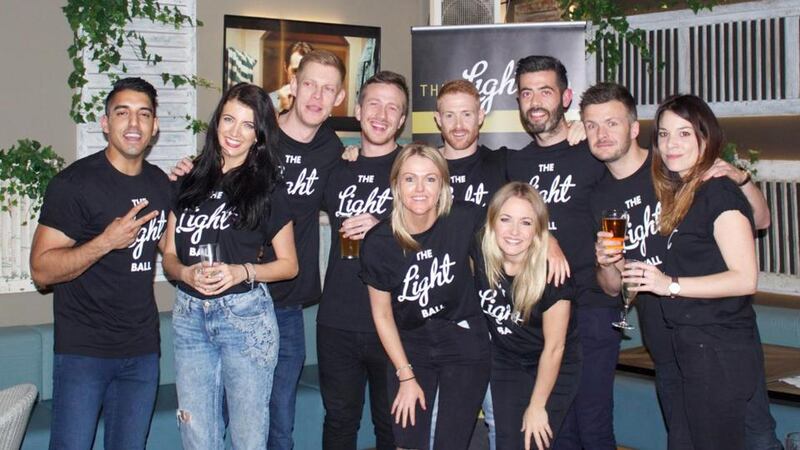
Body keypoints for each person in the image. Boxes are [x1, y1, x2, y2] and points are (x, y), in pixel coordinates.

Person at [584, 83, 780, 450]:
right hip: (670, 341)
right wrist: (608, 263)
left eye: (611, 122)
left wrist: (741, 177)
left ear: (632, 127)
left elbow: (760, 222)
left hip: (717, 339)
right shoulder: (617, 192)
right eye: (591, 125)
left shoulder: (687, 177)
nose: (602, 133)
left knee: (756, 437)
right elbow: (612, 287)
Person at [170, 49, 347, 450]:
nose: (317, 96)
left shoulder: (334, 152)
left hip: (284, 307)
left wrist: (359, 158)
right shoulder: (253, 136)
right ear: (293, 86)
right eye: (310, 84)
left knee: (275, 424)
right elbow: (208, 179)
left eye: (328, 89)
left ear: (338, 98)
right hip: (218, 303)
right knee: (212, 423)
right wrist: (186, 171)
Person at [29, 77, 171, 449]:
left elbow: (173, 251)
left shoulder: (161, 185)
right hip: (83, 352)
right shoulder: (73, 184)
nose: (134, 124)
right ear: (106, 123)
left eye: (144, 114)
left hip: (141, 351)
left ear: (155, 127)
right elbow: (41, 271)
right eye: (122, 113)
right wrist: (104, 243)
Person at [162, 83, 298, 449]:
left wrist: (242, 271)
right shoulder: (187, 181)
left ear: (259, 136)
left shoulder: (269, 188)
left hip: (245, 317)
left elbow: (288, 265)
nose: (234, 132)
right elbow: (169, 256)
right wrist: (185, 273)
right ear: (216, 122)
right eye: (228, 119)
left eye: (247, 125)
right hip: (190, 317)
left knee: (248, 438)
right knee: (195, 434)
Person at [505, 55, 617, 449]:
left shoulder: (593, 151)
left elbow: (643, 166)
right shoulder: (514, 163)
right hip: (538, 314)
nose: (535, 101)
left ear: (566, 97)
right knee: (555, 428)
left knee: (593, 423)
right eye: (526, 92)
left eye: (545, 91)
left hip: (592, 308)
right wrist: (545, 235)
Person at [360, 144, 490, 450]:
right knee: (406, 441)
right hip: (411, 344)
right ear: (396, 185)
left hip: (463, 341)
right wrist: (405, 377)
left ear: (443, 185)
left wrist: (549, 242)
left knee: (451, 444)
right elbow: (382, 314)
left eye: (430, 179)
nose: (420, 189)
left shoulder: (465, 219)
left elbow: (517, 225)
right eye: (410, 179)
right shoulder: (378, 242)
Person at [317, 71, 409, 450]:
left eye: (392, 108)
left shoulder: (415, 170)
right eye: (373, 103)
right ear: (357, 110)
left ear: (402, 119)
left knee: (392, 426)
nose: (381, 114)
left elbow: (437, 234)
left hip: (397, 321)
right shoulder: (336, 167)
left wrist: (381, 226)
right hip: (337, 320)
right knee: (339, 423)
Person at [476, 182, 581, 450]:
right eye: (505, 219)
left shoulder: (554, 275)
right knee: (508, 442)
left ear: (538, 230)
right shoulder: (478, 251)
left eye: (525, 222)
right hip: (506, 359)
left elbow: (555, 348)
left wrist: (537, 405)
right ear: (492, 222)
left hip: (552, 363)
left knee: (533, 441)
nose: (513, 231)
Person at [270, 41, 313, 113]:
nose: (302, 77)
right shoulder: (268, 102)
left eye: (307, 71)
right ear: (285, 67)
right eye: (295, 71)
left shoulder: (319, 102)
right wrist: (279, 109)